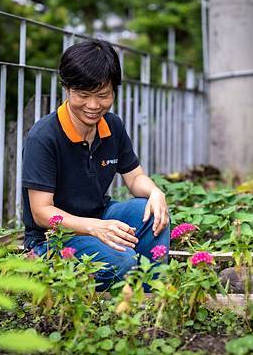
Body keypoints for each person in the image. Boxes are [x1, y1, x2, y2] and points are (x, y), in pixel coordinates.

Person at [22, 38, 170, 290]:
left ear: (114, 91)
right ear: (67, 89)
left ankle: (151, 298)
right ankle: (126, 285)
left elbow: (134, 178)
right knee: (120, 262)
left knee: (148, 213)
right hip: (53, 239)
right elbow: (41, 212)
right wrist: (93, 228)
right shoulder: (44, 136)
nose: (93, 106)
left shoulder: (112, 126)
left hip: (99, 215)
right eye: (83, 95)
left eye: (102, 95)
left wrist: (156, 192)